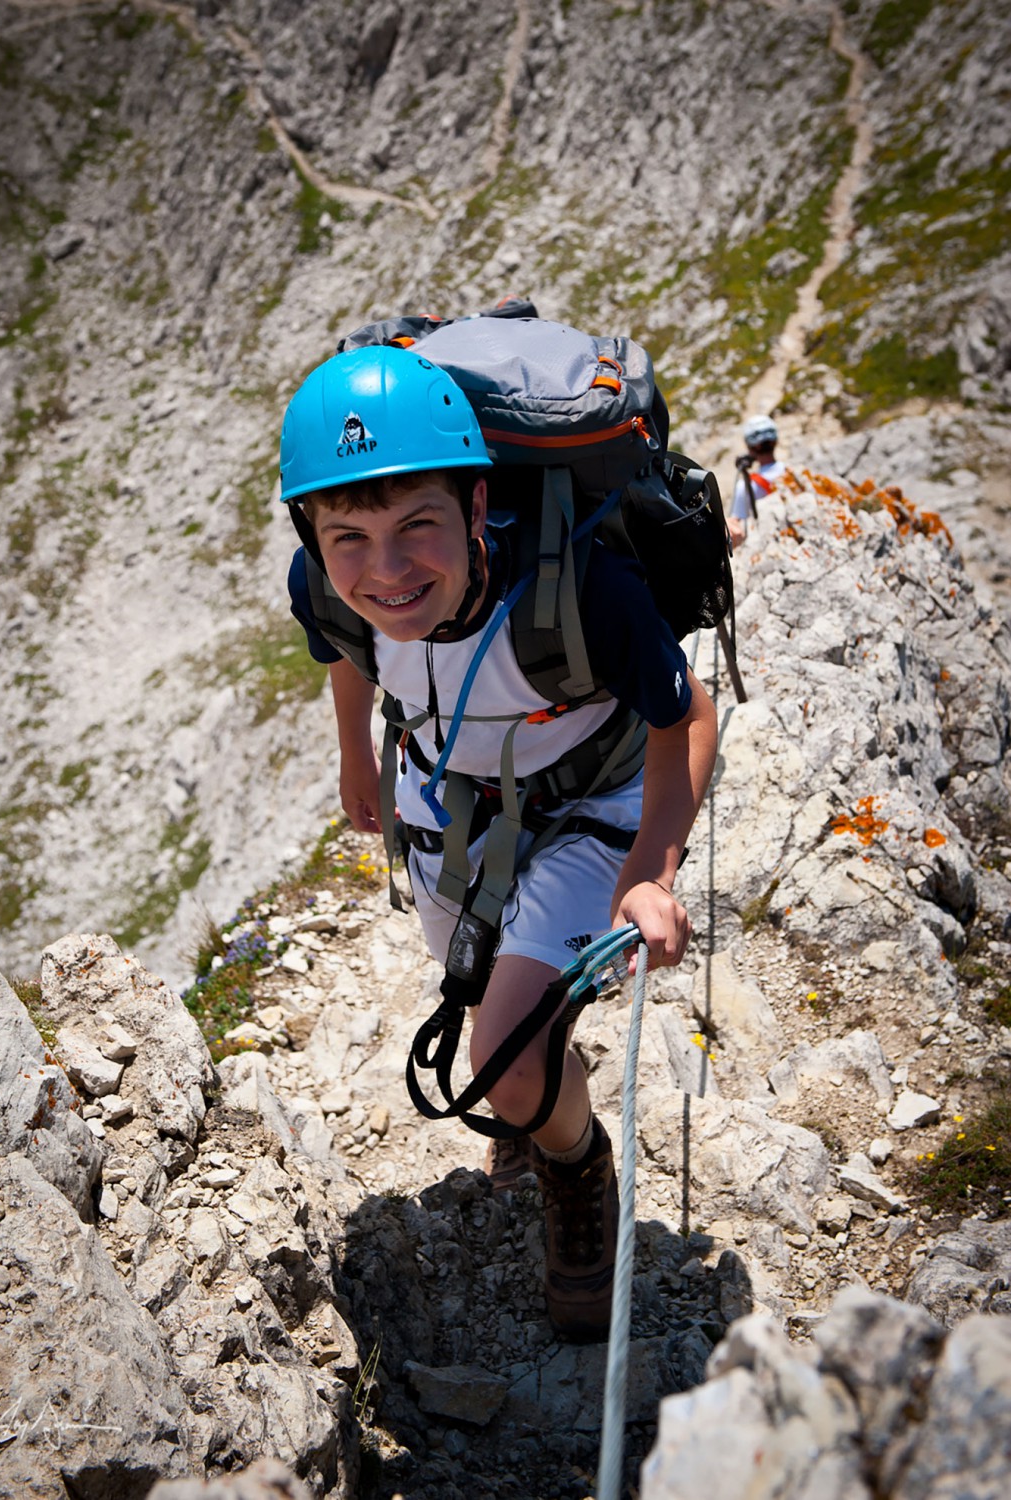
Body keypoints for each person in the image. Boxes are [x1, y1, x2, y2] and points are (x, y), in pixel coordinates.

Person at [280, 345, 718, 1341]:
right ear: (312, 534)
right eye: (348, 537)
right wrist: (354, 758)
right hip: (448, 808)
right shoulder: (322, 582)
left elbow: (685, 717)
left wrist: (650, 872)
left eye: (416, 526)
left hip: (592, 808)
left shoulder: (579, 590)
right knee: (485, 993)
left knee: (506, 1061)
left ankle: (575, 1166)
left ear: (477, 505)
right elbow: (342, 644)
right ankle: (537, 1092)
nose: (385, 572)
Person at [730, 413, 785, 545]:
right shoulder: (792, 473)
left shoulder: (745, 486)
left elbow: (737, 528)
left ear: (750, 446)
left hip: (764, 544)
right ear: (775, 441)